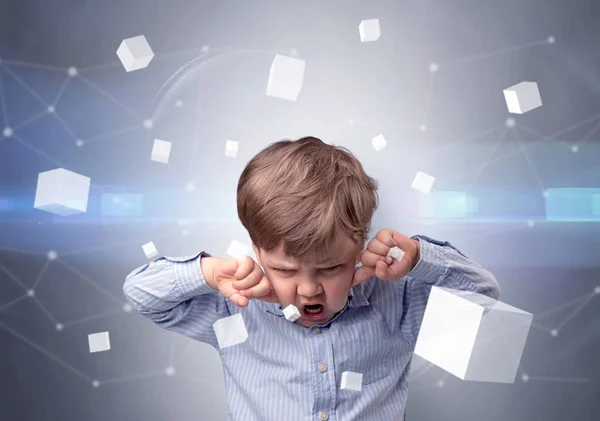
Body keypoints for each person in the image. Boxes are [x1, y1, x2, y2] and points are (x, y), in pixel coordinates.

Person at [123, 136, 500, 421]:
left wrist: (417, 258)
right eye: (285, 270)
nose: (307, 289)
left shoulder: (395, 303)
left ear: (360, 247)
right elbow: (142, 294)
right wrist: (208, 272)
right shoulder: (234, 308)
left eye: (330, 268)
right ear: (257, 249)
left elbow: (484, 298)